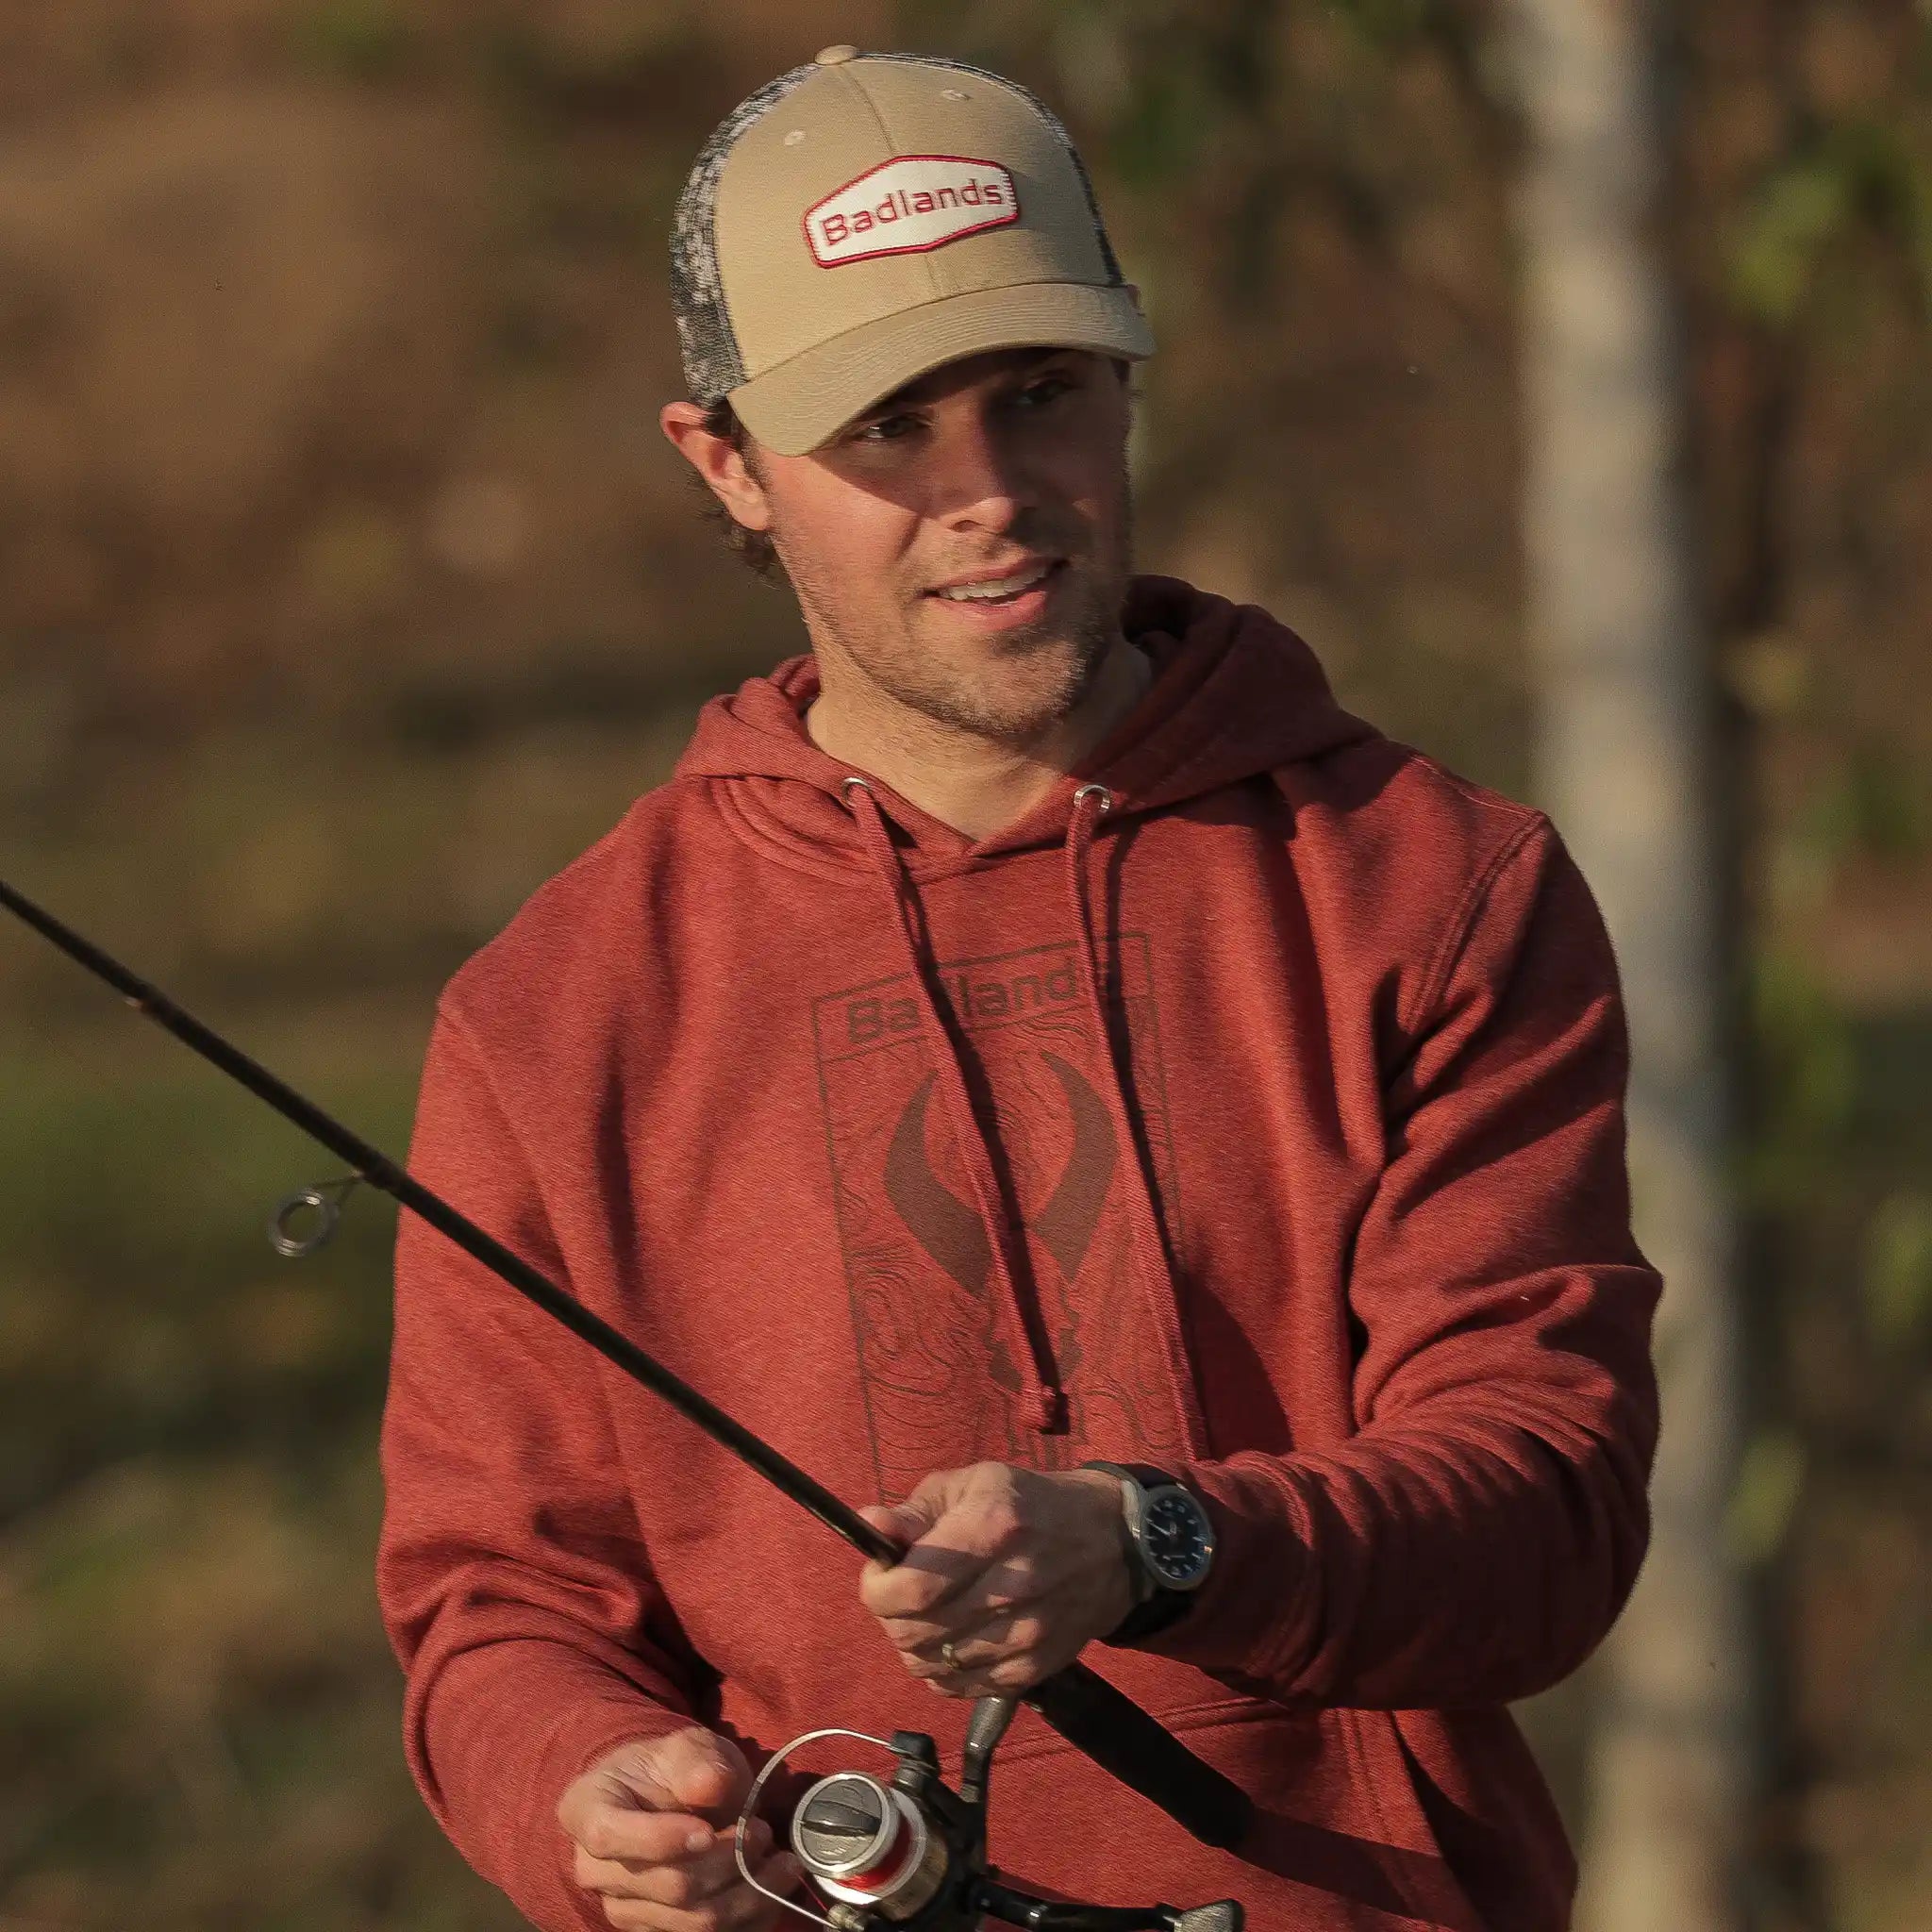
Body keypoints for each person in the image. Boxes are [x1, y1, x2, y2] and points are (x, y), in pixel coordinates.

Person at [376, 44, 1662, 1932]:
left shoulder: (1429, 888)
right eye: (886, 424)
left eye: (1038, 393)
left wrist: (1162, 1543)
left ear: (1124, 384)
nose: (991, 492)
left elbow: (1545, 1513)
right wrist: (582, 1794)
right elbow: (501, 1606)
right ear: (720, 460)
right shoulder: (554, 1016)